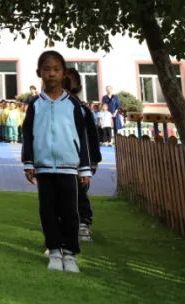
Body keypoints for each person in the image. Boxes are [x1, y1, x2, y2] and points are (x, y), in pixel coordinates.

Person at [23, 50, 94, 274]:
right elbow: (28, 135)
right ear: (39, 73)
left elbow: (82, 138)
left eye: (56, 69)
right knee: (48, 211)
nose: (51, 73)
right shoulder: (35, 104)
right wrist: (28, 162)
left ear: (63, 73)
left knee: (70, 212)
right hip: (43, 168)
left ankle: (70, 253)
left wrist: (85, 168)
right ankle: (54, 250)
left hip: (69, 168)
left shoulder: (73, 105)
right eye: (47, 69)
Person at [64, 68, 103, 243]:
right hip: (61, 161)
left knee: (80, 193)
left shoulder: (82, 110)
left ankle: (83, 224)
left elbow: (91, 137)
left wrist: (93, 161)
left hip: (81, 161)